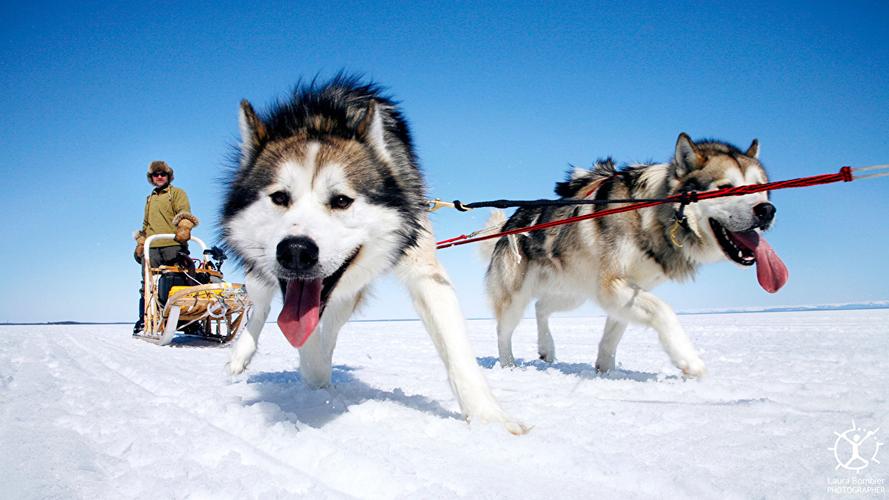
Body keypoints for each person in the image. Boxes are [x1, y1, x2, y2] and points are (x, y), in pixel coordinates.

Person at [133, 160, 199, 334]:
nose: (160, 177)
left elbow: (184, 212)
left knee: (182, 282)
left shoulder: (176, 193)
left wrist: (184, 227)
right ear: (151, 178)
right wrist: (141, 243)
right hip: (153, 247)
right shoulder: (150, 199)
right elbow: (146, 224)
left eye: (163, 174)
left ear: (169, 176)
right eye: (156, 174)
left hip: (173, 245)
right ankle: (144, 320)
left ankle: (189, 321)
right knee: (148, 285)